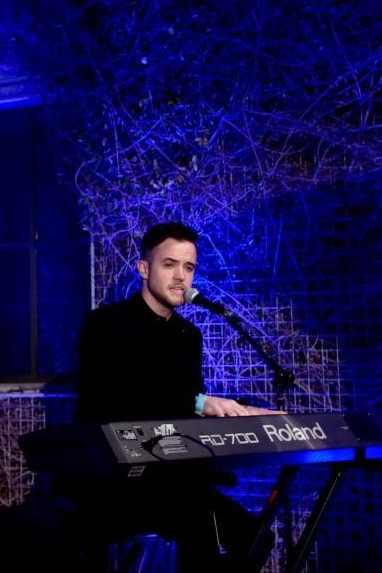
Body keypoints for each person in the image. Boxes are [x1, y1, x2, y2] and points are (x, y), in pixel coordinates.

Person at [71, 221, 277, 570]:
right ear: (143, 268)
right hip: (112, 478)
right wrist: (201, 403)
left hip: (172, 478)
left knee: (256, 537)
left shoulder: (188, 336)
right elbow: (119, 399)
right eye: (169, 264)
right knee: (198, 519)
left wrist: (242, 413)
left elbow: (188, 408)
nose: (181, 276)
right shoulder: (104, 325)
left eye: (189, 267)